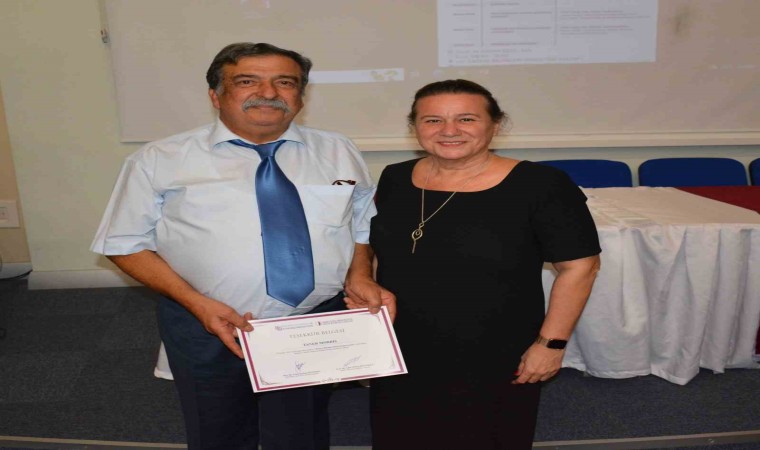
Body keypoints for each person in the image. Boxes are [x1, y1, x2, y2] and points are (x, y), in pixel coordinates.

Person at [90, 42, 394, 450]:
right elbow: (123, 243)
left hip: (311, 324)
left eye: (285, 82)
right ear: (216, 95)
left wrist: (359, 273)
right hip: (208, 323)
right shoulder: (160, 159)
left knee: (302, 434)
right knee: (219, 435)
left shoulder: (338, 150)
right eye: (247, 81)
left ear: (301, 96)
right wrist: (197, 304)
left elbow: (360, 221)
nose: (268, 93)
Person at [357, 79, 601, 449]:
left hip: (494, 352)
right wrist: (362, 279)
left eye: (466, 119)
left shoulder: (542, 185)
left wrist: (550, 344)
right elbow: (369, 242)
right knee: (399, 436)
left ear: (495, 125)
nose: (449, 130)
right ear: (414, 127)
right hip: (403, 345)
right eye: (433, 120)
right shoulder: (395, 177)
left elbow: (581, 267)